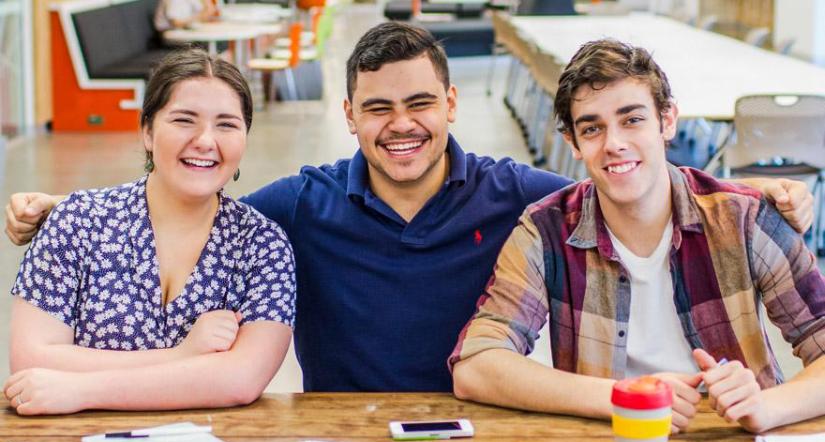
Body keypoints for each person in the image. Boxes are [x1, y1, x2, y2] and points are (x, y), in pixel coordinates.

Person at [4, 23, 812, 393]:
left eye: (420, 102)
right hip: (338, 435)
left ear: (452, 103)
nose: (401, 126)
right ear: (349, 115)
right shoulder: (302, 202)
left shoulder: (518, 197)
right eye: (378, 108)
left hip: (487, 429)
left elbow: (621, 181)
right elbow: (199, 190)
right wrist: (69, 207)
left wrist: (750, 193)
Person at [449, 39, 825, 434]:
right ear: (572, 144)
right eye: (592, 128)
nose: (614, 144)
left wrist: (767, 407)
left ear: (667, 121)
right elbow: (476, 365)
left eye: (632, 120)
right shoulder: (546, 232)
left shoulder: (745, 218)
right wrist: (623, 396)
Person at [2, 48, 295, 415]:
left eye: (226, 124)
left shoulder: (262, 245)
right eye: (184, 120)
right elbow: (32, 360)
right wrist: (182, 356)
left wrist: (81, 389)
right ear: (147, 131)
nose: (206, 140)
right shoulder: (76, 222)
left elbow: (240, 379)